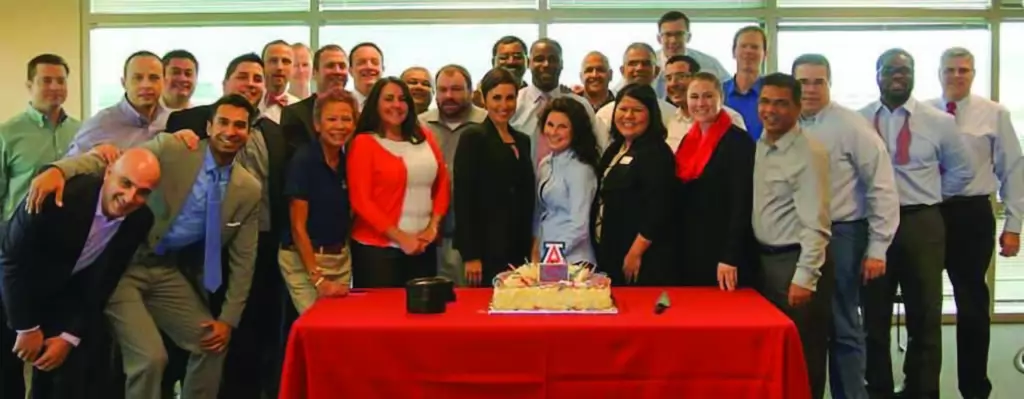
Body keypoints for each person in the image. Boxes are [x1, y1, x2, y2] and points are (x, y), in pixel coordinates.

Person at [26, 93, 262, 399]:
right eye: (223, 122)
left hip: (167, 270)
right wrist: (59, 170)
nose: (231, 131)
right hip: (123, 265)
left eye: (240, 125)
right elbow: (116, 162)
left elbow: (245, 260)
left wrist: (228, 320)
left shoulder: (248, 189)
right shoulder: (175, 148)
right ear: (209, 125)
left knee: (213, 342)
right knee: (151, 359)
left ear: (249, 132)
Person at [858, 49, 974, 399]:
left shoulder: (938, 120)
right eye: (890, 69)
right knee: (873, 317)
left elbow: (963, 170)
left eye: (905, 70)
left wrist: (930, 196)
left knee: (924, 314)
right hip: (872, 226)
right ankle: (876, 389)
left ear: (914, 74)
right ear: (876, 74)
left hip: (920, 223)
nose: (898, 76)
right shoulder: (859, 121)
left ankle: (921, 390)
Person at [0, 149, 158, 399]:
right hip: (9, 289)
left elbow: (103, 281)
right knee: (6, 381)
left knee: (66, 381)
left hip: (61, 297)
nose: (130, 197)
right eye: (126, 183)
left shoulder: (140, 220)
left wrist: (68, 335)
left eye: (143, 192)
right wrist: (26, 327)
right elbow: (10, 260)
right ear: (108, 173)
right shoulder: (59, 196)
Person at [793, 53, 900, 399]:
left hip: (842, 235)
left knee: (843, 325)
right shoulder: (786, 123)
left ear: (829, 84)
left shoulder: (850, 126)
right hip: (798, 237)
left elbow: (882, 186)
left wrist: (878, 247)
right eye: (802, 82)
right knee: (805, 329)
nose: (809, 89)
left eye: (817, 81)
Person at [752, 72, 833, 399]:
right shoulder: (762, 142)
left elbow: (817, 223)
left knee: (805, 354)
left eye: (781, 103)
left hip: (795, 264)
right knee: (776, 354)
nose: (771, 110)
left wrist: (805, 277)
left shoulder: (808, 152)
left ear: (798, 108)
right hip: (765, 263)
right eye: (765, 101)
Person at [347, 77, 449, 287]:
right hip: (378, 252)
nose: (396, 105)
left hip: (423, 246)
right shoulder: (364, 143)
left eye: (402, 99)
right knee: (381, 318)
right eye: (389, 99)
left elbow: (442, 183)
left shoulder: (425, 137)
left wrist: (433, 227)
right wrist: (401, 238)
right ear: (376, 104)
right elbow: (361, 200)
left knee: (424, 315)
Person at [454, 68, 535, 286]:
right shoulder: (473, 138)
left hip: (519, 246)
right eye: (497, 98)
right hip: (487, 247)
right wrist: (471, 255)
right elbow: (464, 198)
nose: (504, 105)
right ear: (484, 99)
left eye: (510, 98)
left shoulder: (523, 140)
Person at [674, 72, 756, 288]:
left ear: (721, 98)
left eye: (708, 96)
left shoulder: (738, 142)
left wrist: (730, 256)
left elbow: (742, 203)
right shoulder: (688, 140)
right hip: (692, 246)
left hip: (724, 252)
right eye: (694, 97)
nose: (701, 103)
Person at [280, 90, 359, 313]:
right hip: (304, 260)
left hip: (339, 259)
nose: (339, 126)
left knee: (338, 326)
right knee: (316, 324)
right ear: (317, 124)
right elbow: (297, 227)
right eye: (331, 119)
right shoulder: (304, 161)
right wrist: (317, 279)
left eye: (346, 119)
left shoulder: (347, 161)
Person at [591, 84, 675, 285]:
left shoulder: (657, 153)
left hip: (639, 258)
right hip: (609, 251)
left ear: (651, 115)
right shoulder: (614, 148)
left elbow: (659, 209)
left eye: (637, 110)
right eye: (623, 109)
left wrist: (636, 252)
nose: (628, 116)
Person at [532, 97, 600, 265]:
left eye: (562, 127)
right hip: (546, 256)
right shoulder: (545, 164)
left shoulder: (581, 169)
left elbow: (580, 225)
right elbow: (541, 213)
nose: (553, 132)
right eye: (550, 125)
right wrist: (536, 249)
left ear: (575, 131)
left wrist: (554, 253)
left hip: (574, 260)